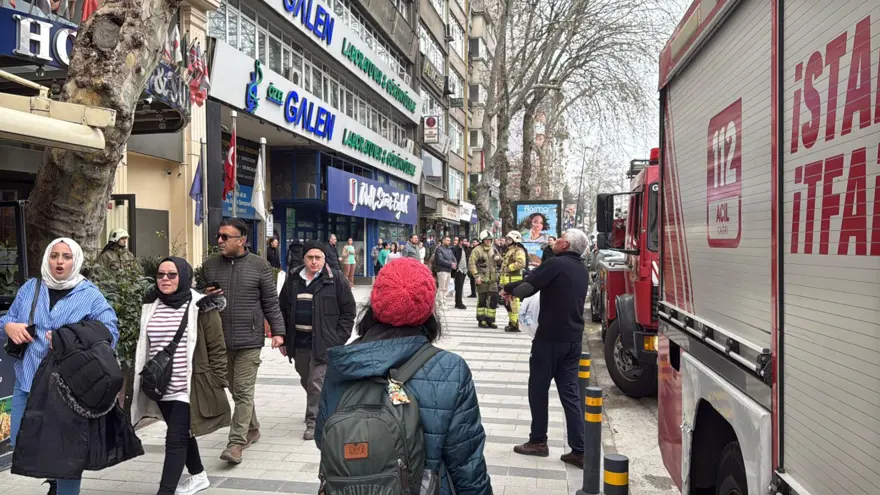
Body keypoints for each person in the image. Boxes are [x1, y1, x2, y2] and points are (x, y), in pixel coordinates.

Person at [315, 258, 493, 494]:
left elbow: (323, 438)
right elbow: (467, 465)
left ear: (375, 303)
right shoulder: (451, 368)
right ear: (428, 307)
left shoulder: (344, 362)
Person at [1, 238, 119, 495]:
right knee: (23, 438)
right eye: (54, 255)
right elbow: (9, 318)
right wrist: (8, 326)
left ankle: (62, 487)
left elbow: (109, 332)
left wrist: (68, 338)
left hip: (66, 387)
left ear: (75, 260)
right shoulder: (31, 288)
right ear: (47, 258)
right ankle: (54, 481)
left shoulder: (89, 295)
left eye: (66, 256)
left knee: (66, 454)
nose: (59, 261)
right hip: (29, 380)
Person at [132, 257, 230, 495]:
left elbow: (217, 347)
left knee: (175, 438)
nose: (165, 279)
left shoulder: (202, 306)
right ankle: (198, 475)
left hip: (190, 386)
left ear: (184, 277)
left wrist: (216, 381)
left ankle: (165, 491)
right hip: (159, 385)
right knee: (183, 432)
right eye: (161, 274)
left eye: (172, 274)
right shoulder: (151, 304)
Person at [502, 229, 590, 468]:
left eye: (561, 238)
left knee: (538, 389)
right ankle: (579, 450)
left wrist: (507, 290)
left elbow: (527, 287)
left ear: (566, 244)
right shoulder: (582, 269)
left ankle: (538, 441)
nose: (557, 240)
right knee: (570, 394)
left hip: (549, 339)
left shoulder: (555, 264)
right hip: (573, 339)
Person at [202, 218, 286, 465]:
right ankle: (253, 428)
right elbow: (195, 299)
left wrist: (278, 333)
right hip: (219, 341)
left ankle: (235, 443)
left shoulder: (260, 266)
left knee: (243, 390)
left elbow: (271, 303)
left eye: (225, 237)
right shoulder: (209, 267)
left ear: (242, 240)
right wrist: (204, 296)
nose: (219, 241)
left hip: (249, 340)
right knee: (237, 391)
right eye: (219, 236)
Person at [278, 241, 356, 440]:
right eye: (310, 257)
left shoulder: (335, 278)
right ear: (304, 259)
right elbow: (283, 309)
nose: (314, 262)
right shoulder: (294, 278)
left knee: (316, 382)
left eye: (318, 257)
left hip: (325, 342)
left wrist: (339, 338)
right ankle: (323, 404)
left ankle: (313, 422)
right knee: (306, 378)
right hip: (300, 342)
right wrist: (284, 338)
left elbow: (348, 311)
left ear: (324, 258)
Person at [469, 231, 500, 329]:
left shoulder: (494, 249)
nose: (489, 241)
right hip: (482, 280)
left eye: (490, 239)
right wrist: (476, 276)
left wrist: (498, 258)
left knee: (493, 300)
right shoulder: (476, 250)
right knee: (482, 300)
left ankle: (491, 320)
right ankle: (481, 320)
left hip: (493, 280)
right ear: (482, 240)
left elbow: (501, 261)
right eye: (487, 240)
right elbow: (472, 264)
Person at [500, 231, 527, 333]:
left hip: (514, 281)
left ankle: (516, 324)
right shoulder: (510, 250)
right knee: (508, 304)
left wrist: (509, 268)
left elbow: (521, 263)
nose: (507, 241)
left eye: (510, 239)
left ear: (515, 240)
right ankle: (512, 322)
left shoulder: (518, 251)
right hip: (507, 281)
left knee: (514, 304)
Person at [433, 236, 455, 316]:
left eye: (449, 240)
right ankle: (439, 304)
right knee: (441, 288)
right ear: (443, 241)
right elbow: (440, 260)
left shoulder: (449, 249)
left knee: (445, 288)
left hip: (448, 271)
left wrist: (454, 263)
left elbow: (453, 258)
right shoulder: (439, 249)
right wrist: (450, 263)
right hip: (442, 270)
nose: (449, 242)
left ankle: (444, 303)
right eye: (447, 240)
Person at [451, 238, 468, 310]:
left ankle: (459, 302)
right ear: (461, 242)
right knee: (459, 287)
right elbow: (453, 258)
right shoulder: (455, 249)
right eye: (465, 241)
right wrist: (455, 268)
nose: (466, 242)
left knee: (460, 287)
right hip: (459, 270)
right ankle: (458, 303)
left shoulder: (464, 249)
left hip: (464, 270)